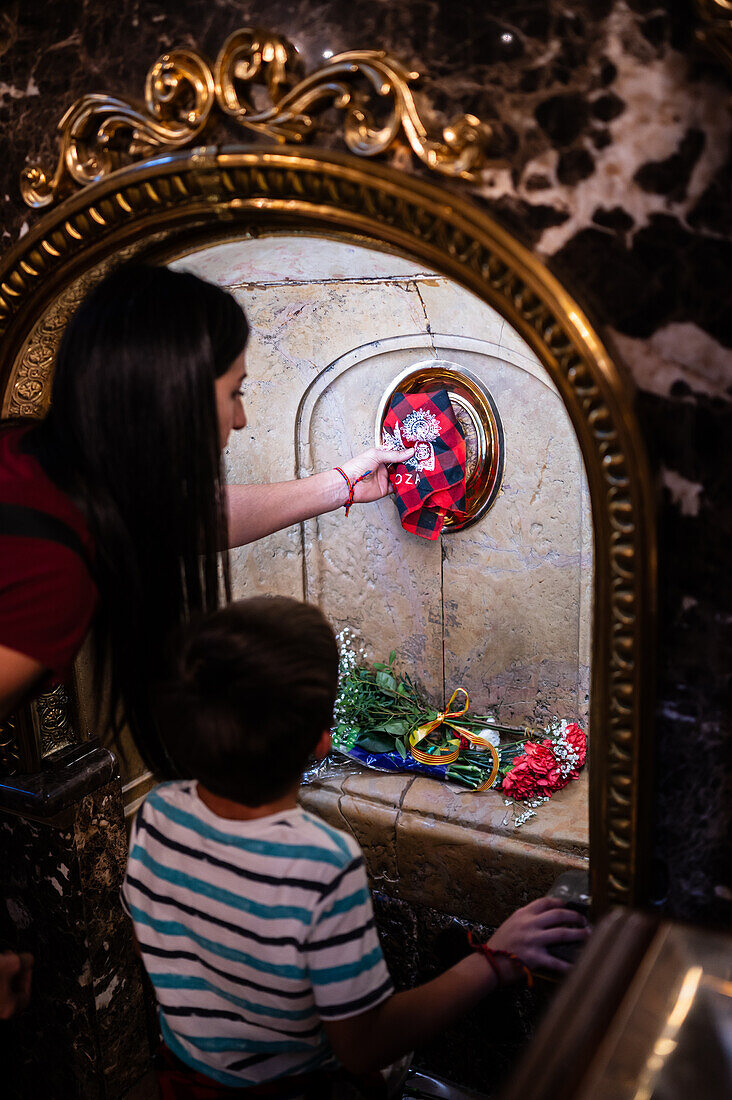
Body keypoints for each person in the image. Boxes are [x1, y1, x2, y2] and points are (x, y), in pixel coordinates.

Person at [122, 596, 591, 1098]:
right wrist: (496, 960)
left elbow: (159, 941)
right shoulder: (320, 862)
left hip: (182, 1077)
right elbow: (364, 1046)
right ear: (325, 740)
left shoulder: (158, 812)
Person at [0, 264, 411, 772]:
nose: (241, 419)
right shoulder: (53, 571)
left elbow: (177, 519)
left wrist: (342, 484)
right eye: (235, 392)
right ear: (175, 401)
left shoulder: (32, 454)